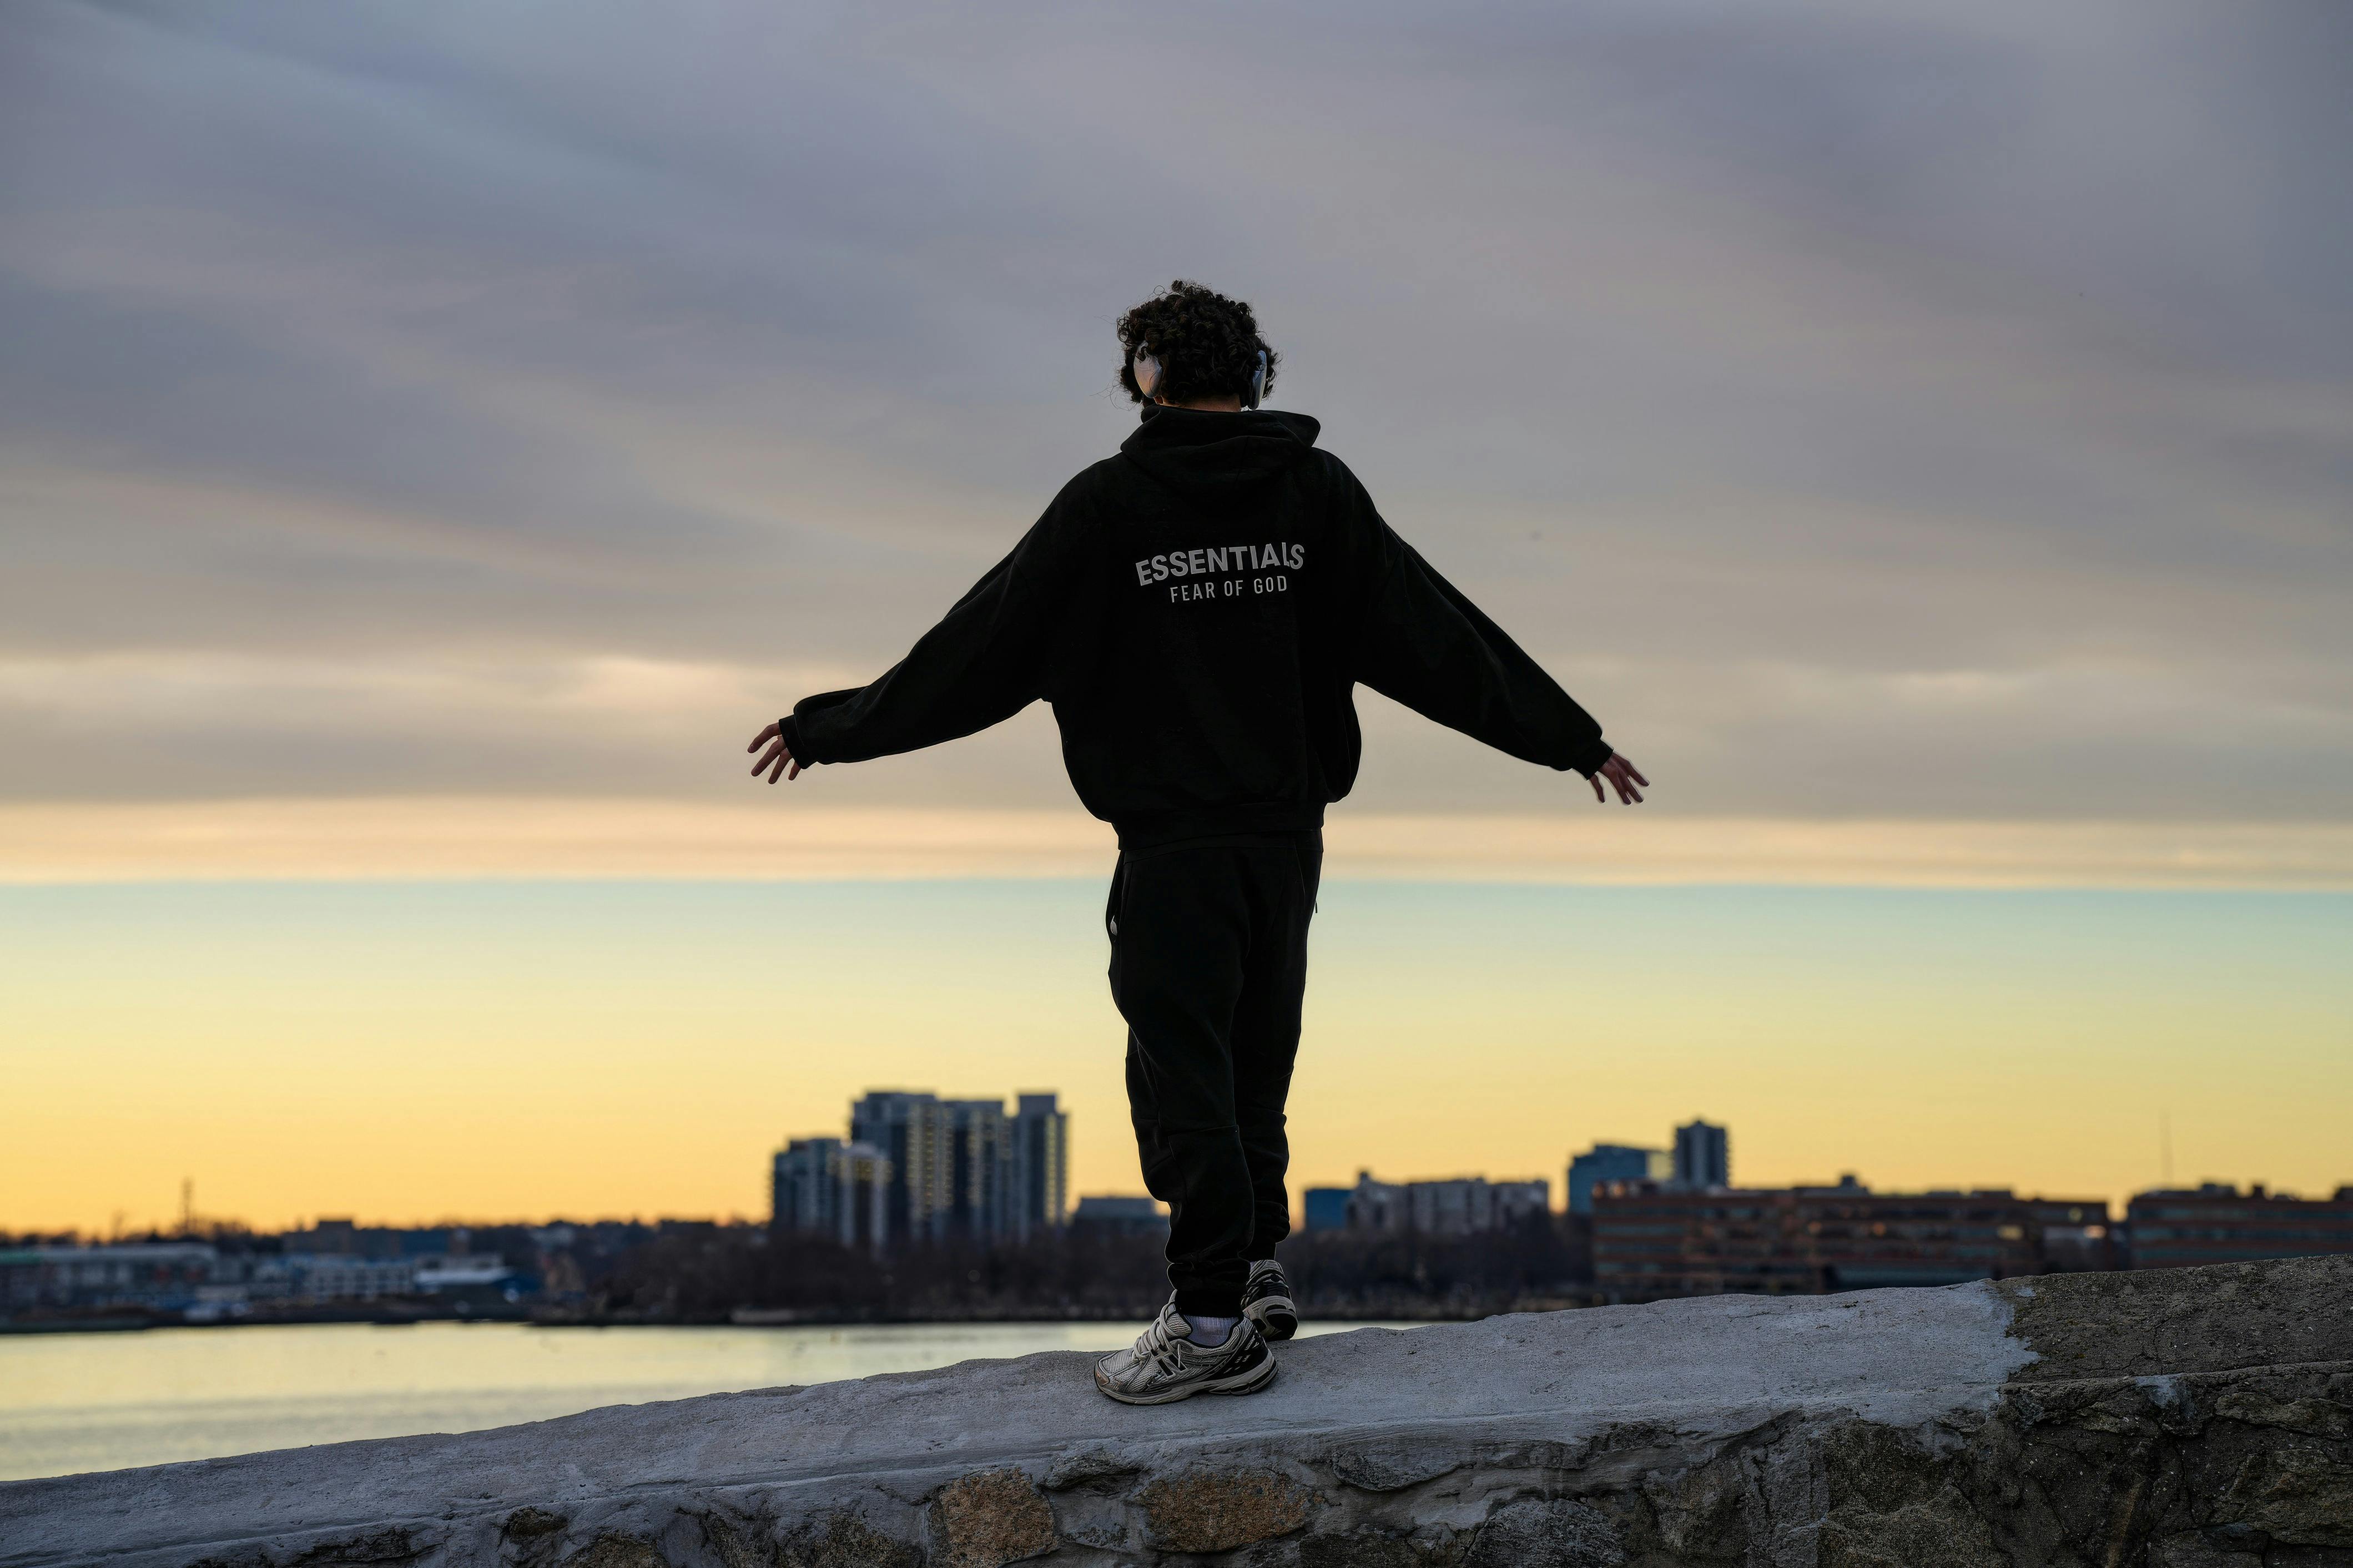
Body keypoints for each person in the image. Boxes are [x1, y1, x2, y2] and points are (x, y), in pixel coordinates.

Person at [748, 280, 1647, 1404]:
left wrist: (825, 729)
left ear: (1147, 382)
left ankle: (1211, 1318)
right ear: (1257, 377)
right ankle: (1254, 1268)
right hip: (1287, 840)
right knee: (1253, 1058)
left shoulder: (1107, 509)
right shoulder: (1314, 495)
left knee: (1183, 1077)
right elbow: (1436, 637)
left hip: (1172, 845)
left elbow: (974, 652)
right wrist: (1570, 739)